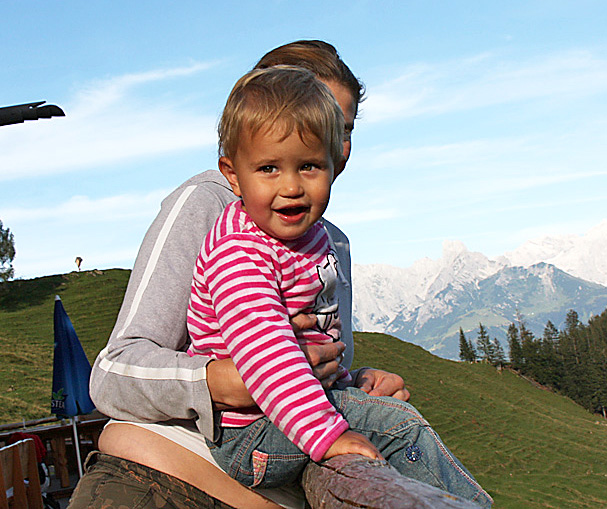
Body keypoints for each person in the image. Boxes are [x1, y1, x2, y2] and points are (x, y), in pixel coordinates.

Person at [68, 41, 491, 508]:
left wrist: (353, 380)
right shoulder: (209, 206)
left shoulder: (329, 242)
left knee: (395, 423)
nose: (333, 140)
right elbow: (110, 375)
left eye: (343, 128)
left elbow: (307, 361)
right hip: (162, 484)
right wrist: (225, 380)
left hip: (271, 488)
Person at [186, 64, 492, 508]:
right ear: (232, 175)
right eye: (269, 168)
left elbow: (317, 331)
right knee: (400, 427)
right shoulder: (240, 254)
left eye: (309, 166)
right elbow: (268, 357)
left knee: (390, 419)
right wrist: (330, 436)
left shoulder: (305, 236)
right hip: (251, 433)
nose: (291, 186)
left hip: (287, 416)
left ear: (335, 164)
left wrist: (348, 383)